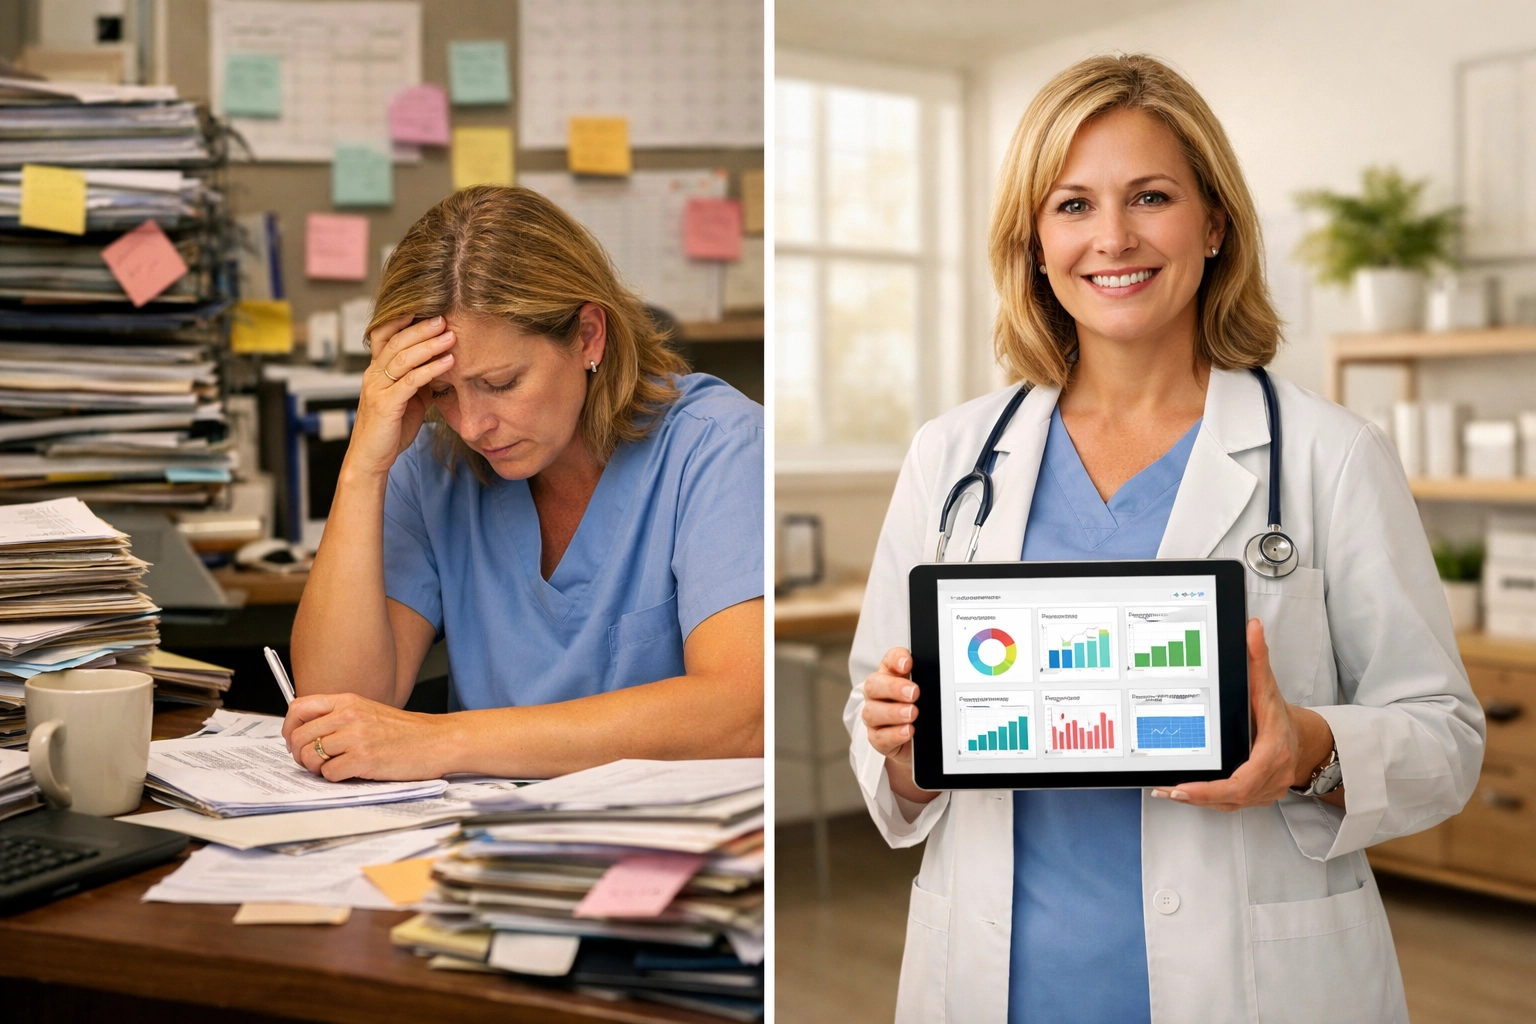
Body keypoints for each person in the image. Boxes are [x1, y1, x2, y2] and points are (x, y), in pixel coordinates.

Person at [848, 54, 1484, 1024]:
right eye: (1072, 204)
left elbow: (1445, 733)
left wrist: (1305, 748)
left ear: (1215, 222)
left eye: (1151, 196)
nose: (1113, 238)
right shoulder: (952, 456)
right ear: (1032, 238)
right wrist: (899, 742)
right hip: (1001, 983)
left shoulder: (1330, 453)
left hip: (1253, 984)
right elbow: (881, 727)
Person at [283, 184, 764, 781]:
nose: (472, 425)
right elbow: (339, 716)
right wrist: (363, 465)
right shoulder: (431, 465)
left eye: (503, 382)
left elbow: (743, 715)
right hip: (482, 844)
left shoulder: (716, 445)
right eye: (442, 393)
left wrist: (443, 740)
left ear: (589, 336)